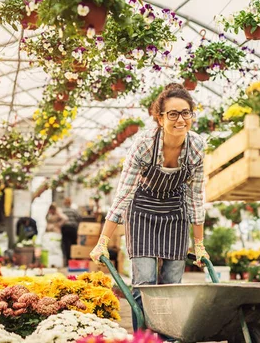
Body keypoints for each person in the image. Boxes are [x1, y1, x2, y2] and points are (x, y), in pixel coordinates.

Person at [90, 83, 209, 333]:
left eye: (186, 112)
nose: (180, 119)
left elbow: (196, 197)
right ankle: (144, 338)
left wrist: (199, 245)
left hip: (175, 213)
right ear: (159, 117)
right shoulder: (144, 145)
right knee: (144, 280)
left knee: (172, 284)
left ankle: (167, 337)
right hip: (142, 210)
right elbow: (124, 194)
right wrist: (103, 240)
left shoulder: (197, 147)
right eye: (173, 114)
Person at [61, 197, 80, 266]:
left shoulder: (62, 211)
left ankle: (67, 261)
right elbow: (79, 217)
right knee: (73, 244)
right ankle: (73, 261)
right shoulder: (73, 210)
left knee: (66, 245)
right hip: (72, 228)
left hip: (64, 229)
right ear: (70, 203)